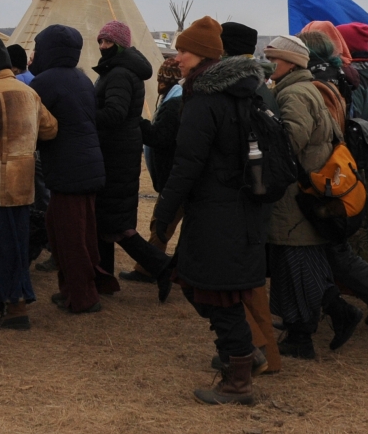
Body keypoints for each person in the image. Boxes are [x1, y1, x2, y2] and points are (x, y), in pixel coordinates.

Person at [264, 34, 368, 357]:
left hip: (312, 191)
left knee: (320, 259)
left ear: (292, 61)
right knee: (331, 259)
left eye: (273, 59)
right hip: (326, 185)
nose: (268, 65)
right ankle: (357, 311)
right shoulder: (323, 83)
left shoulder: (300, 91)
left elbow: (290, 143)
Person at [151, 52, 272, 406]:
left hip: (216, 212)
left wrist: (164, 212)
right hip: (242, 208)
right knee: (199, 282)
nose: (178, 57)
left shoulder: (206, 102)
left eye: (185, 50)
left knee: (217, 293)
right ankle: (243, 356)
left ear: (202, 55)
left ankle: (238, 378)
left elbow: (187, 163)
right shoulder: (249, 94)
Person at [0, 37, 57, 330]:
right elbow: (50, 129)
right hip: (23, 183)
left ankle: (14, 306)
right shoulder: (29, 91)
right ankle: (2, 299)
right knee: (12, 244)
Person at [29, 24, 113, 315]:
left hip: (68, 171)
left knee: (70, 237)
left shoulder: (45, 82)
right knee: (76, 232)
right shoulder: (82, 78)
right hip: (86, 166)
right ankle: (73, 289)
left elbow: (35, 126)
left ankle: (83, 296)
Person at [91, 20, 173, 295]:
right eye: (101, 41)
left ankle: (161, 265)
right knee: (104, 221)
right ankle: (103, 278)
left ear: (121, 44)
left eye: (108, 42)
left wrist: (84, 116)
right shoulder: (120, 71)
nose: (103, 46)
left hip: (115, 154)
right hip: (119, 150)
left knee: (115, 223)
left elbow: (115, 113)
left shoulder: (118, 74)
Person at [131, 54, 184, 283]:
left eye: (164, 78)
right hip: (174, 174)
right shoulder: (174, 99)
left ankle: (148, 268)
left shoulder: (173, 104)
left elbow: (161, 138)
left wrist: (138, 122)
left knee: (161, 224)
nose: (160, 83)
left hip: (174, 175)